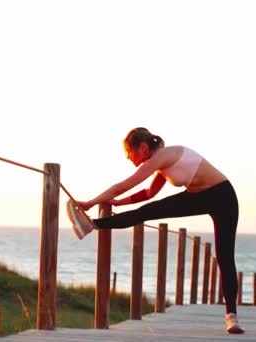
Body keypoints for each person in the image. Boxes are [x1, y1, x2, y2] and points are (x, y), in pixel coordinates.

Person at [66, 127, 244, 334]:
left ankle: (232, 317)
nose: (128, 158)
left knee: (224, 256)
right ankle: (92, 225)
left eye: (129, 153)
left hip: (223, 198)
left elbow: (125, 185)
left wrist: (90, 202)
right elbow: (149, 193)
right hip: (197, 196)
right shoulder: (162, 162)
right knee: (146, 211)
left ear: (142, 148)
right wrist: (117, 203)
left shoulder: (162, 157)